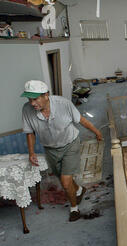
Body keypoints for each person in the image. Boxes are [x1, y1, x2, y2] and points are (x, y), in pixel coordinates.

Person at [21, 80, 103, 222]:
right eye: (29, 99)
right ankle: (78, 189)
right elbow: (30, 132)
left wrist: (97, 132)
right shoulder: (27, 110)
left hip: (70, 144)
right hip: (50, 149)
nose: (32, 103)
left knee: (65, 182)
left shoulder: (63, 104)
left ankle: (74, 209)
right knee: (64, 179)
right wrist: (31, 152)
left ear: (46, 95)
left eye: (35, 99)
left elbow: (81, 119)